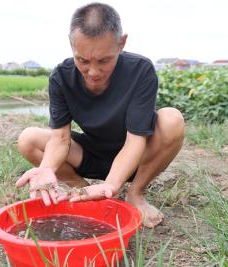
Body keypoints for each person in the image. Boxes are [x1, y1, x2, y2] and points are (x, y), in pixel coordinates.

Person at [15, 2, 184, 228]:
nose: (93, 72)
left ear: (121, 43)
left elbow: (136, 140)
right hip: (91, 153)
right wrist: (47, 167)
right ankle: (80, 189)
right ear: (71, 45)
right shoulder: (61, 77)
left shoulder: (140, 70)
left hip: (135, 156)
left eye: (104, 60)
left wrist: (112, 184)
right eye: (82, 60)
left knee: (172, 119)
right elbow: (61, 139)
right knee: (28, 139)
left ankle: (135, 194)